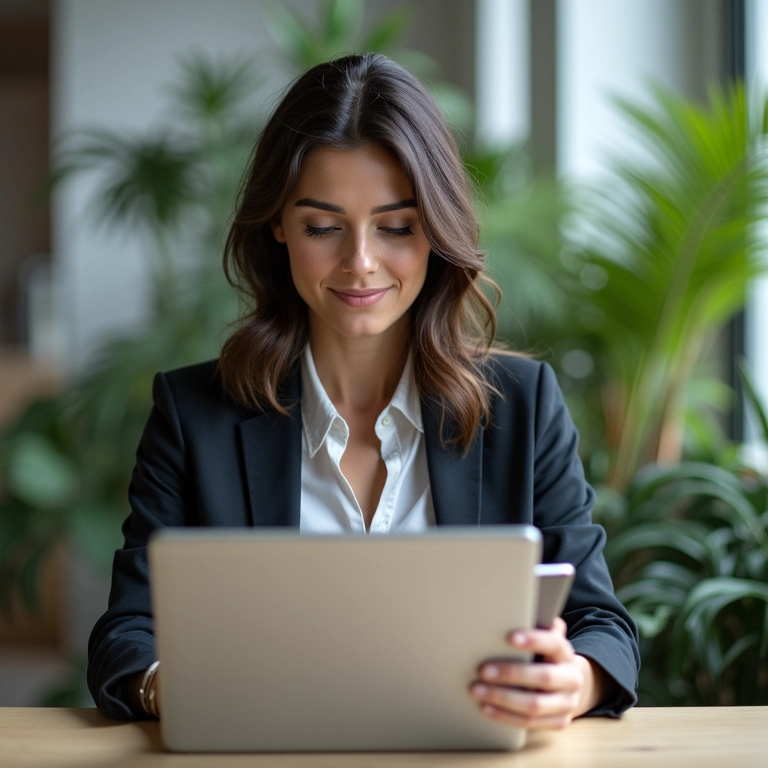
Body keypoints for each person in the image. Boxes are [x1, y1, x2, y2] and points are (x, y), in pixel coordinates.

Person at [88, 52, 639, 730]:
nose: (360, 262)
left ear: (436, 230)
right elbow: (125, 636)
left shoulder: (521, 405)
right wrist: (168, 688)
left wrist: (574, 682)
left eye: (397, 226)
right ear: (278, 226)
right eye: (323, 226)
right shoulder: (194, 413)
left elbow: (601, 624)